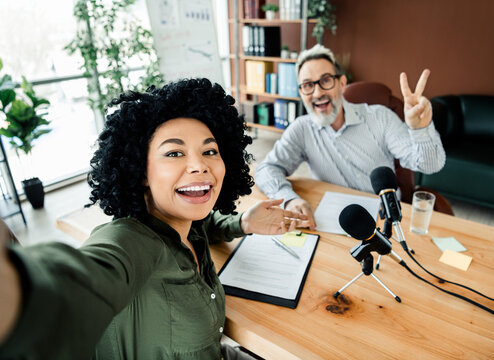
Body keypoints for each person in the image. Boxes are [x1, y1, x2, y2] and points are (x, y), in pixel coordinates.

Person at [0, 78, 307, 359]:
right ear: (140, 171)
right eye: (174, 153)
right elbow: (78, 281)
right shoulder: (130, 240)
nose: (200, 166)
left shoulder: (187, 221)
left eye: (210, 151)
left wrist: (242, 223)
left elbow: (206, 225)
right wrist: (17, 284)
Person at [254, 44, 446, 229]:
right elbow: (266, 169)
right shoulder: (301, 129)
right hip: (333, 218)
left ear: (342, 83)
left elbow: (429, 165)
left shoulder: (380, 117)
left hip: (385, 219)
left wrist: (421, 129)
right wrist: (289, 198)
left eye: (326, 80)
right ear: (301, 92)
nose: (318, 92)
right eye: (308, 85)